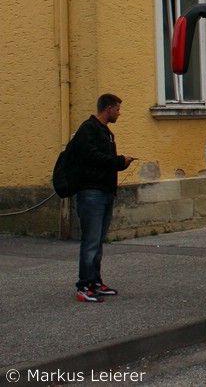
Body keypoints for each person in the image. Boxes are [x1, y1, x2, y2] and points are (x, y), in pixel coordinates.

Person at [73, 94, 137, 302]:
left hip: (106, 192)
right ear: (108, 109)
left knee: (98, 241)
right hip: (91, 192)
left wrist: (120, 163)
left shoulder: (106, 132)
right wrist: (119, 160)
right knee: (91, 241)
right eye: (118, 109)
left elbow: (104, 160)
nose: (119, 113)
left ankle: (95, 282)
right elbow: (92, 157)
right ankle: (84, 286)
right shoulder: (88, 129)